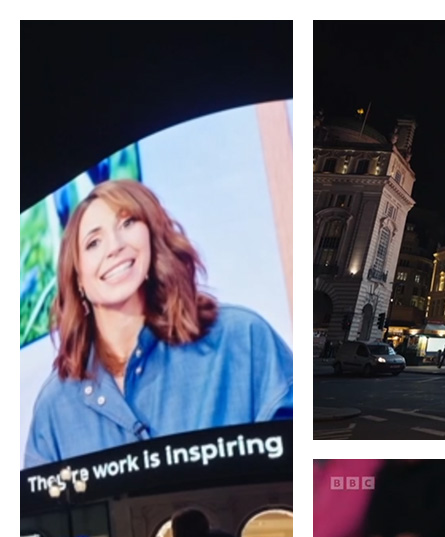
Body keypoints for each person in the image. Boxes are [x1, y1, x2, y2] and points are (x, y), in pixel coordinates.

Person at [24, 179, 293, 467]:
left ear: (151, 236)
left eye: (127, 223)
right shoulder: (54, 408)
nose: (114, 246)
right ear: (77, 278)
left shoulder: (241, 339)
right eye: (93, 243)